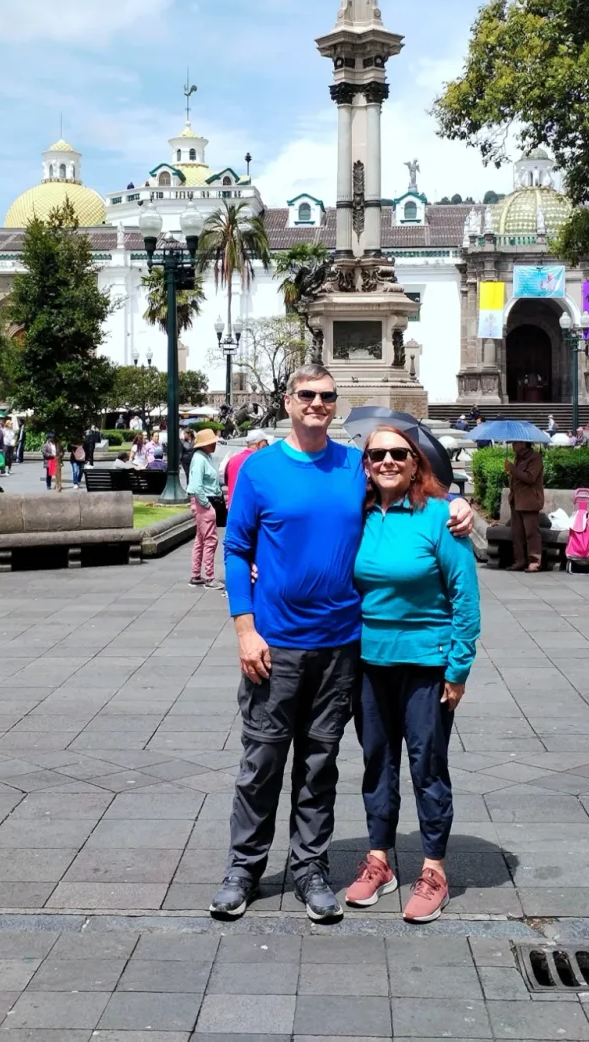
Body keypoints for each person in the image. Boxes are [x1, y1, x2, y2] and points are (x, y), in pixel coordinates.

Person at [212, 365, 472, 924]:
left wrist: (459, 507)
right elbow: (235, 549)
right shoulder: (259, 470)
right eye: (307, 395)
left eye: (327, 396)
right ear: (288, 401)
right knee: (261, 762)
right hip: (274, 644)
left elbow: (411, 483)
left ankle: (310, 870)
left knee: (319, 763)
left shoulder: (354, 467)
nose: (317, 403)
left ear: (336, 405)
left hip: (341, 647)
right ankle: (244, 869)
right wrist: (244, 628)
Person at [343, 425, 480, 923]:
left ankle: (434, 868)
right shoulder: (356, 517)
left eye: (398, 453)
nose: (387, 461)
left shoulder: (442, 518)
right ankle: (379, 859)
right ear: (366, 463)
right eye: (376, 454)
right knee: (376, 762)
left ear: (416, 460)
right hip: (369, 662)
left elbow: (466, 598)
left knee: (427, 766)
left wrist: (458, 667)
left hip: (426, 665)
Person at [187, 428, 225, 588]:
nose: (214, 445)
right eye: (212, 443)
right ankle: (209, 577)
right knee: (210, 539)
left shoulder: (206, 457)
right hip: (203, 501)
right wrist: (207, 505)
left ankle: (196, 574)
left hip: (205, 500)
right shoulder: (200, 459)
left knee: (201, 539)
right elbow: (196, 486)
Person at [507, 440, 545, 572]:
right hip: (516, 500)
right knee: (517, 533)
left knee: (531, 533)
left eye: (515, 443)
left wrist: (513, 469)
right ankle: (519, 560)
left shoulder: (535, 458)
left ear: (523, 443)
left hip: (530, 501)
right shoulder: (518, 458)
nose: (512, 445)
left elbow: (530, 478)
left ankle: (534, 561)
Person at [223, 428, 271, 506]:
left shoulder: (233, 459)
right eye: (265, 443)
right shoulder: (259, 461)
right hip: (251, 510)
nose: (267, 446)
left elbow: (227, 481)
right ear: (258, 444)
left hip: (233, 509)